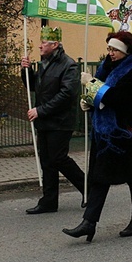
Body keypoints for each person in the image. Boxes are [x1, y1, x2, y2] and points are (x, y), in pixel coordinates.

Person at [62, 31, 132, 242]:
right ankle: (88, 223)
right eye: (109, 49)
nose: (110, 53)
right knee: (100, 177)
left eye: (115, 50)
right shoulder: (109, 67)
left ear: (127, 50)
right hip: (107, 135)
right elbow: (103, 96)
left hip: (130, 133)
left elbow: (118, 98)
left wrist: (91, 84)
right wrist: (89, 102)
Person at [20, 26, 85, 214]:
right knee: (47, 160)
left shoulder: (69, 65)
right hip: (45, 121)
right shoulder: (44, 64)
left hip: (60, 122)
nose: (39, 46)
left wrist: (41, 110)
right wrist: (26, 71)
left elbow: (66, 95)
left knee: (59, 158)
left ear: (55, 45)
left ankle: (88, 189)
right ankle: (49, 201)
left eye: (43, 43)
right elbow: (34, 87)